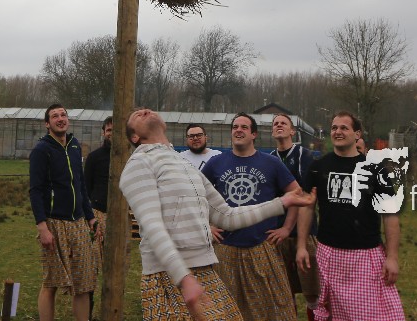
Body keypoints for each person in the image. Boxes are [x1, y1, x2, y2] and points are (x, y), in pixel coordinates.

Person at [119, 107, 316, 321]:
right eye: (137, 115)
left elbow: (226, 216)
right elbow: (152, 227)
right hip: (168, 276)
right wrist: (184, 279)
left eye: (146, 110)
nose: (144, 111)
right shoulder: (139, 163)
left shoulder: (182, 164)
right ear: (134, 137)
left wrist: (283, 202)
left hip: (204, 270)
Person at [298, 111, 405, 321]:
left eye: (344, 128)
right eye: (334, 128)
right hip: (329, 254)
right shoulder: (318, 168)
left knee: (375, 316)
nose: (338, 132)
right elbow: (306, 207)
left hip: (365, 255)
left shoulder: (376, 170)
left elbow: (390, 216)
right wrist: (301, 246)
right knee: (331, 314)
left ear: (357, 134)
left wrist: (392, 257)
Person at [201, 113, 301, 321]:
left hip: (261, 247)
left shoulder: (271, 163)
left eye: (244, 127)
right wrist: (207, 226)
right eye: (235, 127)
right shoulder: (216, 163)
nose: (238, 130)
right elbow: (196, 195)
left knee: (271, 307)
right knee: (227, 307)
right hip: (226, 248)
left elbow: (296, 193)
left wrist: (286, 228)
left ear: (254, 134)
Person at [29, 104, 101, 321]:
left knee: (83, 282)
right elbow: (35, 190)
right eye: (55, 116)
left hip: (78, 221)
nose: (60, 119)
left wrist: (90, 217)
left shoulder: (75, 146)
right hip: (54, 222)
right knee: (51, 282)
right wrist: (42, 227)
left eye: (63, 115)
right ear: (47, 123)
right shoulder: (42, 150)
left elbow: (80, 184)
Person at [270, 112, 320, 316]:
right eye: (275, 123)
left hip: (304, 232)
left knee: (312, 291)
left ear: (292, 131)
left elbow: (305, 195)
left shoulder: (304, 156)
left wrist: (290, 227)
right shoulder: (269, 159)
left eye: (284, 123)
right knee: (283, 290)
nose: (279, 125)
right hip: (277, 234)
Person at [83, 115, 113, 319]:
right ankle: (88, 312)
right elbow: (86, 188)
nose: (112, 134)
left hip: (119, 218)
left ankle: (111, 309)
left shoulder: (130, 157)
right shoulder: (94, 157)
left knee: (116, 266)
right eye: (109, 130)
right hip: (97, 214)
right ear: (103, 133)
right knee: (92, 266)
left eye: (116, 130)